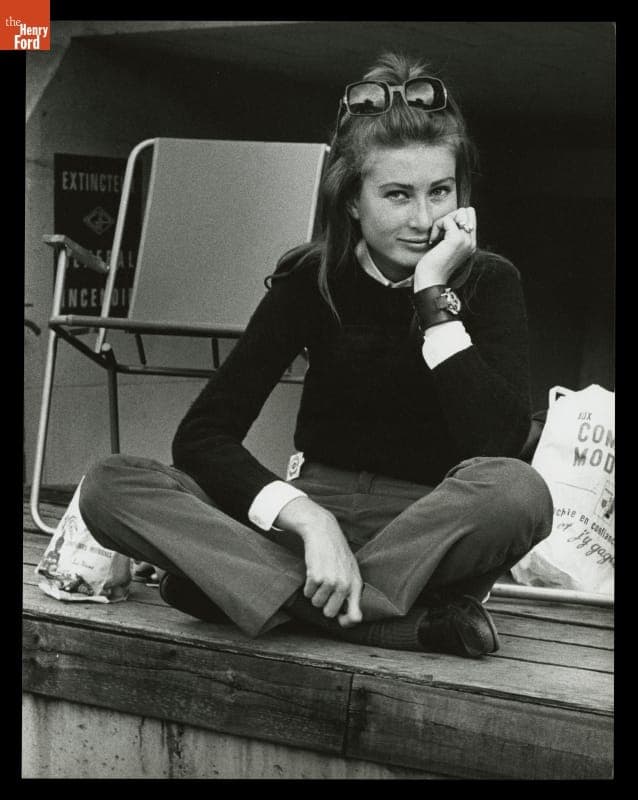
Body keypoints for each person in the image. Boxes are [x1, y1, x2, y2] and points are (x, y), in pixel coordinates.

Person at [79, 53, 553, 658]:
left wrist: (435, 298)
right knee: (109, 486)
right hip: (306, 527)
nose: (425, 218)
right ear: (353, 200)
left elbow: (499, 441)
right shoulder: (311, 278)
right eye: (397, 195)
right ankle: (393, 622)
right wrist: (308, 520)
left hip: (426, 532)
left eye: (441, 191)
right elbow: (203, 435)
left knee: (521, 491)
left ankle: (257, 596)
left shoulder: (488, 281)